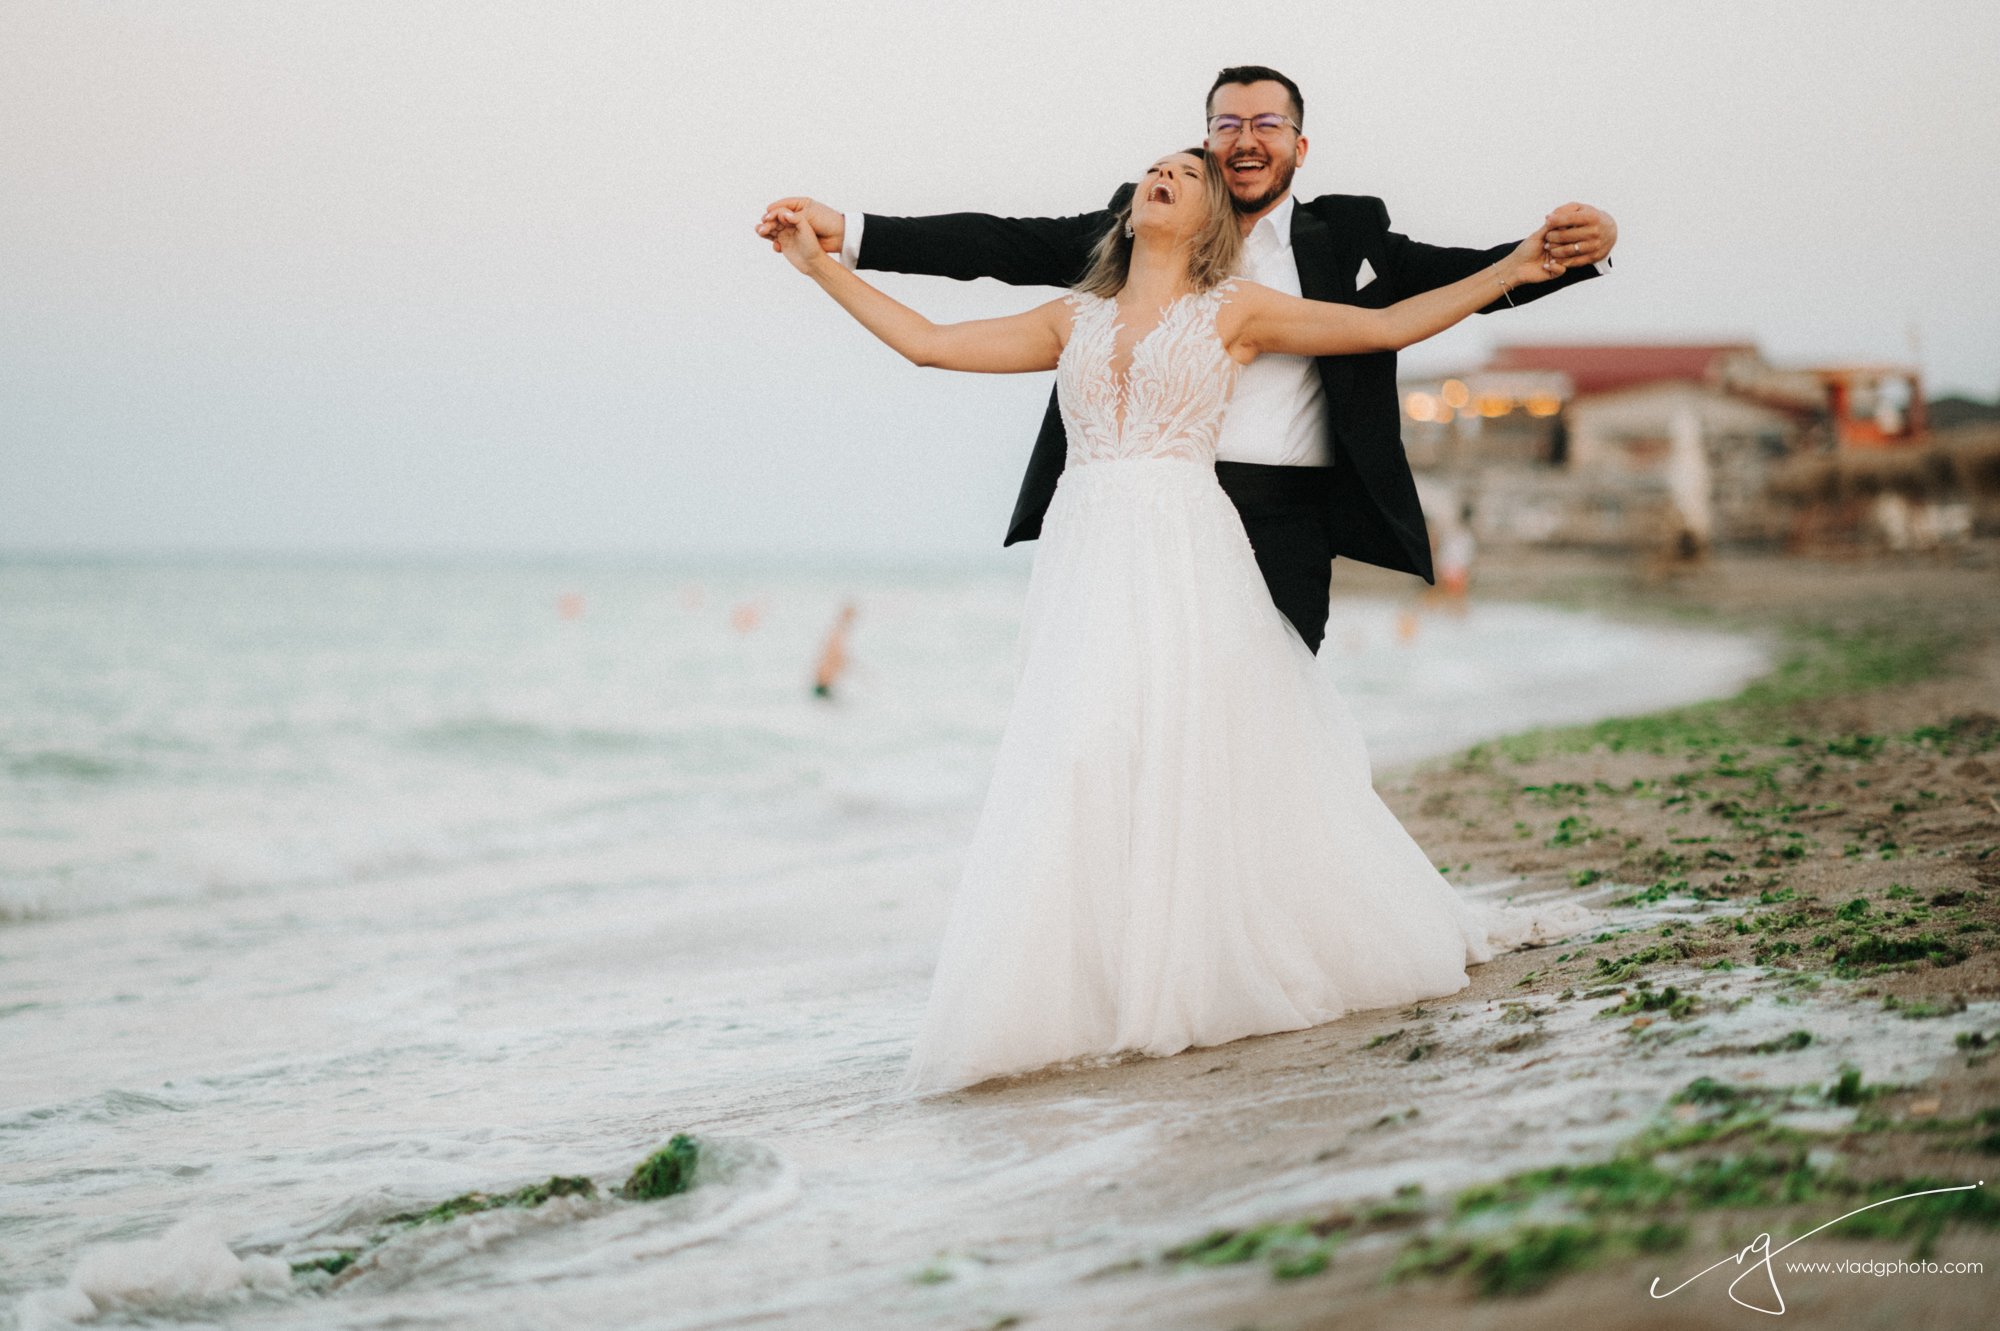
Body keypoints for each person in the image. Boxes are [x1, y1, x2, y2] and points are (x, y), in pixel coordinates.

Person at [767, 146, 1596, 1095]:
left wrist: (1516, 267)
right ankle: (1088, 986)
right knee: (1080, 753)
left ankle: (1190, 970)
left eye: (1189, 176)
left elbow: (1383, 326)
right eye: (1157, 169)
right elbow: (929, 342)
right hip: (1086, 557)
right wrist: (821, 267)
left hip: (1185, 549)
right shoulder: (1069, 317)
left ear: (1209, 223)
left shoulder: (1233, 312)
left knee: (1182, 749)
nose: (1167, 176)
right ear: (1129, 210)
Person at [756, 65, 1617, 653]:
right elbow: (994, 247)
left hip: (1283, 513)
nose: (1244, 138)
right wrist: (848, 239)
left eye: (1266, 123)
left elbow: (1421, 300)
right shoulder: (1117, 263)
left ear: (1298, 146)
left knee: (1259, 725)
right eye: (1224, 125)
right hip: (1114, 521)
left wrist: (1558, 256)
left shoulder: (1346, 238)